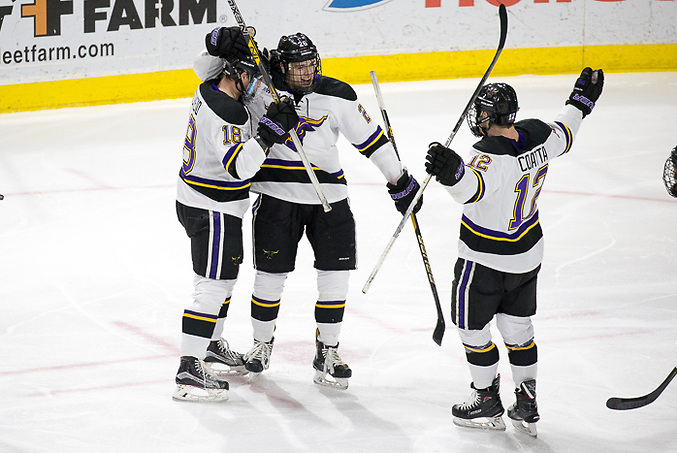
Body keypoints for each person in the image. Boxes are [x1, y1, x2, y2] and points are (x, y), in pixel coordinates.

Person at [210, 32, 422, 390]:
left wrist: (398, 179)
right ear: (281, 65)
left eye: (311, 64)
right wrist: (223, 43)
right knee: (269, 277)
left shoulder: (337, 95)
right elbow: (211, 71)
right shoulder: (259, 84)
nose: (307, 73)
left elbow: (372, 140)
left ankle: (328, 349)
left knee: (335, 277)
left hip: (329, 198)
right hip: (276, 197)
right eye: (298, 66)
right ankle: (262, 344)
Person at [424, 68, 604, 434]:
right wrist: (580, 102)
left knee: (472, 329)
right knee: (518, 327)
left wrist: (449, 171)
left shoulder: (487, 155)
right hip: (527, 255)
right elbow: (567, 129)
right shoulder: (539, 136)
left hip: (484, 260)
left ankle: (486, 398)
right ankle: (526, 400)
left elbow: (470, 188)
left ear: (488, 117)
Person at [173, 26, 299, 402]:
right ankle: (189, 368)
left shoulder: (211, 82)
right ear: (238, 74)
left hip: (207, 202)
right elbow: (239, 167)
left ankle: (210, 345)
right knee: (211, 287)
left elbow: (203, 62)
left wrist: (225, 42)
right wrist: (268, 134)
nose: (256, 86)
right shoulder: (228, 111)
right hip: (210, 208)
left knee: (222, 280)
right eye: (252, 77)